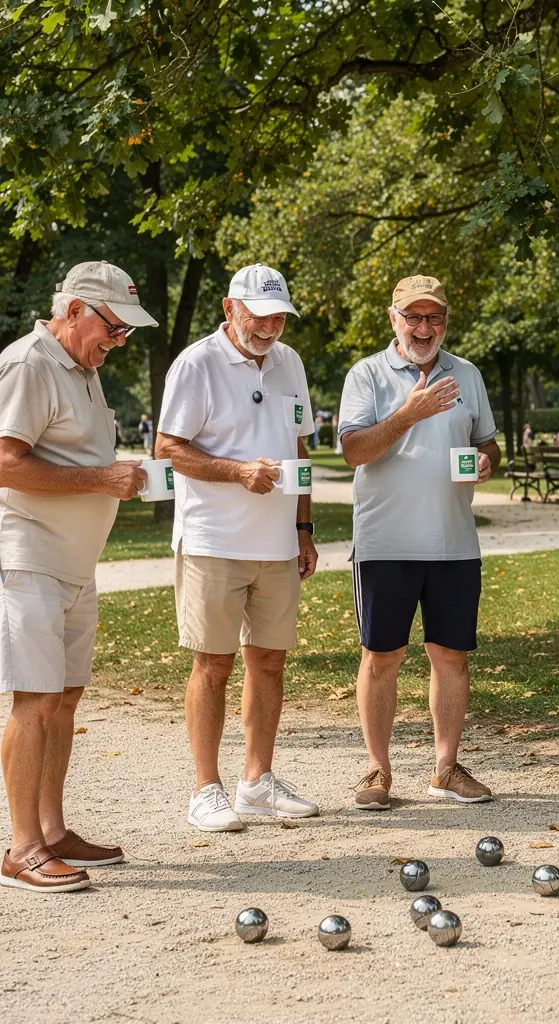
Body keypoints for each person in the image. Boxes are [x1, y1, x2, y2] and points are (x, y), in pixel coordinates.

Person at [0, 260, 157, 892]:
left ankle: (53, 829)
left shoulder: (82, 369)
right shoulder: (30, 363)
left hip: (74, 565)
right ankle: (21, 848)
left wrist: (112, 472)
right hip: (28, 558)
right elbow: (5, 464)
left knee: (64, 699)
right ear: (73, 312)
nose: (118, 343)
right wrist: (101, 479)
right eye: (113, 328)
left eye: (126, 333)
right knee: (34, 699)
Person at [155, 263, 320, 832]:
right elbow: (167, 447)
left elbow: (299, 448)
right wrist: (234, 470)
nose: (270, 327)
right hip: (212, 539)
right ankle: (206, 788)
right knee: (213, 663)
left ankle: (257, 781)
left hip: (277, 544)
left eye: (278, 316)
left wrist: (304, 529)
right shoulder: (196, 363)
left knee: (269, 661)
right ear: (229, 309)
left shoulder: (290, 361)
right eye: (259, 315)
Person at [338, 274, 501, 811]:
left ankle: (446, 769)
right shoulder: (367, 374)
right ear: (394, 320)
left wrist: (486, 462)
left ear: (445, 322)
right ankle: (377, 773)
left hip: (454, 542)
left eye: (434, 318)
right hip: (385, 542)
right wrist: (409, 413)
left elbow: (488, 443)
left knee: (451, 656)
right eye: (414, 317)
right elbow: (355, 451)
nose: (424, 328)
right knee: (382, 656)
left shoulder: (467, 374)